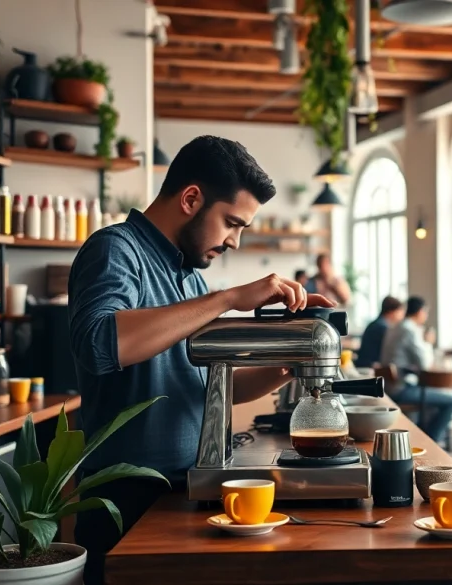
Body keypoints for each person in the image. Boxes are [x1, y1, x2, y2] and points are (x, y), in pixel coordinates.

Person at [68, 136, 335, 585]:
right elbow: (99, 344)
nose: (234, 241)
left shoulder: (189, 278)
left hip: (190, 487)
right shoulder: (116, 250)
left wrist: (296, 356)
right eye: (232, 223)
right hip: (127, 498)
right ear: (191, 198)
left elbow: (214, 385)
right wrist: (229, 298)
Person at [379, 296, 452, 442]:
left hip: (389, 387)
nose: (426, 316)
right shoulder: (410, 330)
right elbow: (426, 364)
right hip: (401, 389)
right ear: (420, 312)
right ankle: (431, 440)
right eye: (426, 312)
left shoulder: (395, 327)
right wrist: (428, 342)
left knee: (434, 399)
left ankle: (425, 437)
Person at [356, 296, 404, 368]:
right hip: (371, 367)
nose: (402, 316)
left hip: (365, 364)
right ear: (392, 312)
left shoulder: (376, 323)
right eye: (400, 312)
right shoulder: (382, 327)